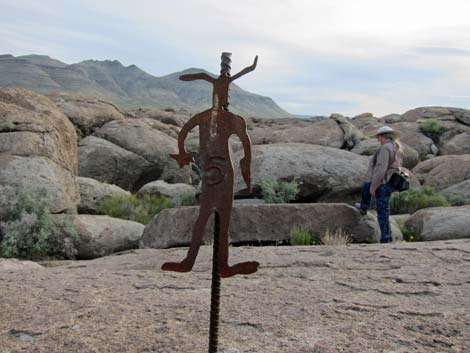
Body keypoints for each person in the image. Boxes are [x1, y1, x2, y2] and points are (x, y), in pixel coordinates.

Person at [355, 126, 401, 243]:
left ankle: (386, 238)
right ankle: (364, 207)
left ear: (382, 136)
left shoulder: (385, 148)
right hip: (388, 182)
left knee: (382, 212)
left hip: (383, 183)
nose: (377, 139)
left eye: (378, 137)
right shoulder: (393, 147)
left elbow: (381, 168)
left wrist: (374, 186)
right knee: (384, 210)